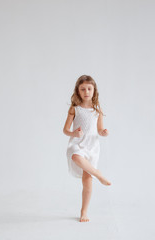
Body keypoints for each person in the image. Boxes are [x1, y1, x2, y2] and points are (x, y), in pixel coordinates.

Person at [63, 74, 111, 223]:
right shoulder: (74, 109)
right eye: (83, 89)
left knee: (87, 180)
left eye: (89, 89)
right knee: (75, 156)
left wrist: (103, 132)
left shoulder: (97, 110)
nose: (86, 92)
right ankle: (98, 174)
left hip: (92, 146)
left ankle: (84, 211)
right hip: (77, 143)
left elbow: (99, 129)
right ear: (78, 91)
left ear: (94, 91)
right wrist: (73, 133)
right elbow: (65, 130)